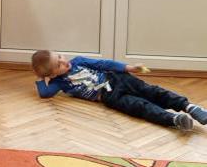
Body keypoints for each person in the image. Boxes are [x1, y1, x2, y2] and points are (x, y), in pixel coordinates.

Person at [32, 49, 207, 130]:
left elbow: (104, 64)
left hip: (117, 78)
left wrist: (128, 68)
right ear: (52, 74)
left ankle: (189, 107)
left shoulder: (78, 61)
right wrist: (40, 78)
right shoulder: (59, 83)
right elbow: (45, 93)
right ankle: (174, 119)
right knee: (139, 107)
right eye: (58, 65)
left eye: (60, 56)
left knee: (152, 91)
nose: (64, 61)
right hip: (108, 96)